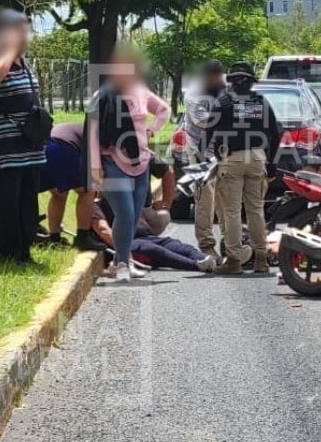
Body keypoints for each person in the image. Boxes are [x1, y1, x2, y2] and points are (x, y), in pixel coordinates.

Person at [88, 47, 171, 282]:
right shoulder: (101, 96)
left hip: (140, 162)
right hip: (112, 161)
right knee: (123, 211)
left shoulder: (141, 93)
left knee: (133, 215)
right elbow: (92, 132)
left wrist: (152, 129)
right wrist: (95, 168)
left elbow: (164, 110)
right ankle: (123, 263)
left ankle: (119, 262)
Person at [0, 8, 46, 264]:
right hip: (0, 154)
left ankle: (24, 253)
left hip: (28, 151)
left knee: (27, 208)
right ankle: (6, 255)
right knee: (5, 208)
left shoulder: (22, 63)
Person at [211, 62, 280, 275]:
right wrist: (272, 164)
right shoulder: (262, 102)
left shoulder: (222, 102)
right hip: (258, 158)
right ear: (252, 82)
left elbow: (211, 133)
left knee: (232, 211)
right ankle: (261, 260)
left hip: (232, 158)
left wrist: (216, 155)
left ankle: (234, 260)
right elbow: (276, 134)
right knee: (256, 210)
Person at [91, 199, 218, 273]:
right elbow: (103, 230)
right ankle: (196, 265)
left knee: (181, 247)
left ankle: (210, 260)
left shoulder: (125, 199)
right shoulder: (96, 206)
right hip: (130, 243)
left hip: (149, 237)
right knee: (153, 250)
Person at [38, 121, 105, 251]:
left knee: (59, 195)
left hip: (45, 148)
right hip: (64, 148)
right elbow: (97, 168)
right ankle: (83, 238)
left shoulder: (79, 127)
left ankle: (54, 239)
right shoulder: (98, 136)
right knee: (88, 191)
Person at [186, 59, 228, 255]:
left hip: (224, 151)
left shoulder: (227, 87)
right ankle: (207, 246)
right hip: (200, 152)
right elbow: (204, 121)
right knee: (205, 200)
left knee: (227, 198)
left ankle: (230, 243)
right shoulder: (194, 94)